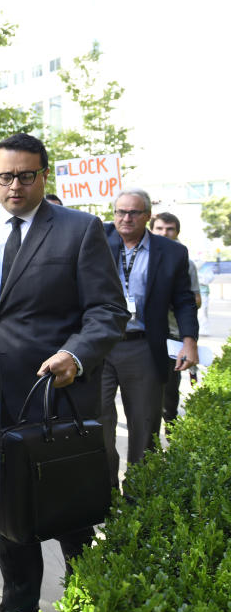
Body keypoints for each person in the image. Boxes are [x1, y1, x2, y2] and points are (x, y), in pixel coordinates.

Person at [0, 133, 128, 612]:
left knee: (70, 515)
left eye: (25, 175)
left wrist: (75, 354)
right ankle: (19, 604)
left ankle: (91, 596)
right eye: (5, 176)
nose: (14, 185)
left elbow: (108, 310)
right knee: (9, 513)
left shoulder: (80, 230)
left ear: (45, 175)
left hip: (56, 402)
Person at [101, 190, 198, 485]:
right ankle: (105, 495)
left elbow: (183, 300)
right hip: (100, 345)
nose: (125, 218)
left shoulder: (172, 253)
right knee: (98, 427)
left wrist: (189, 341)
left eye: (133, 213)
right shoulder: (97, 239)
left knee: (144, 427)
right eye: (120, 212)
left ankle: (138, 499)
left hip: (143, 345)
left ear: (147, 216)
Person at [150, 212, 201, 432]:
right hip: (141, 337)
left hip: (172, 336)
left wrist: (167, 300)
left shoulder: (184, 260)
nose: (164, 233)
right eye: (160, 228)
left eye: (169, 229)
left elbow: (194, 300)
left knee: (170, 391)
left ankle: (171, 431)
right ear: (151, 229)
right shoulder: (141, 256)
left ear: (177, 232)